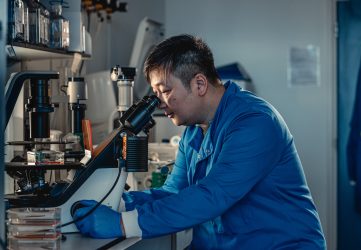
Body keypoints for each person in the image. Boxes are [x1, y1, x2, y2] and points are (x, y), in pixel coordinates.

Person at [73, 34, 327, 249]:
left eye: (166, 90)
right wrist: (117, 202)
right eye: (156, 93)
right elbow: (174, 192)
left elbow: (213, 195)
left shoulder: (256, 122)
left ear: (199, 83)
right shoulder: (194, 130)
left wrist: (121, 224)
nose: (160, 102)